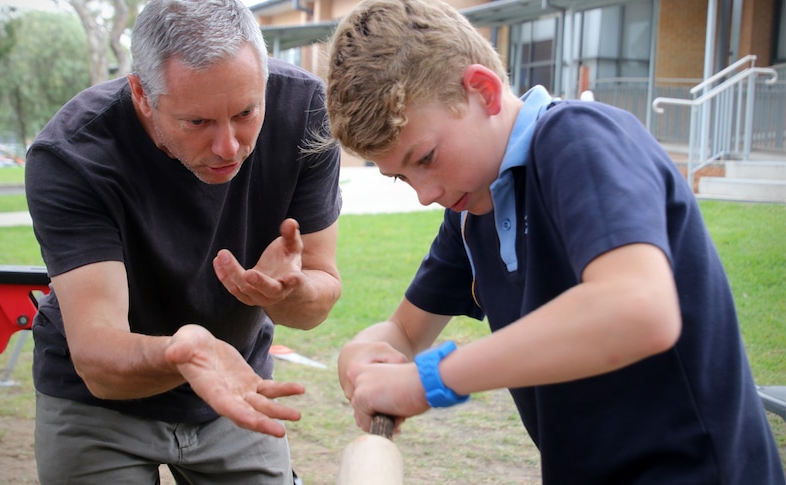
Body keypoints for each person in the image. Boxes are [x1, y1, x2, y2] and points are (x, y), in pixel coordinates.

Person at [323, 0, 785, 483]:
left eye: (427, 158)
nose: (425, 195)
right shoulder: (470, 214)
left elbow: (638, 310)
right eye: (401, 178)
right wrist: (358, 356)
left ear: (482, 91)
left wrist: (431, 380)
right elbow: (403, 333)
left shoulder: (580, 140)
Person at [24, 0, 342, 483]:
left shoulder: (306, 112)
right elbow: (97, 361)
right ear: (142, 94)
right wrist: (183, 352)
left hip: (234, 384)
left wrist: (292, 293)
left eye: (246, 112)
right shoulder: (72, 156)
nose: (229, 146)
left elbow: (318, 298)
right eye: (197, 122)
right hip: (99, 404)